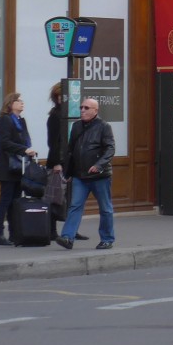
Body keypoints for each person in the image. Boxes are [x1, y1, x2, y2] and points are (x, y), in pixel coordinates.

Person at [56, 97, 115, 250]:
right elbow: (70, 151)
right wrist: (68, 172)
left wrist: (99, 165)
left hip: (99, 176)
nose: (82, 110)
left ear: (95, 111)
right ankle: (68, 237)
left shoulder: (104, 127)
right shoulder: (76, 126)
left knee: (105, 208)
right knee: (75, 206)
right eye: (81, 107)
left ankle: (107, 239)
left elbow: (110, 149)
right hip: (80, 176)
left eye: (86, 108)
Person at [0, 92, 37, 246]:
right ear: (10, 104)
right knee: (5, 201)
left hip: (19, 167)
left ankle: (13, 233)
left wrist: (28, 150)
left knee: (15, 201)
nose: (22, 103)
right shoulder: (5, 120)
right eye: (18, 101)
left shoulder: (20, 121)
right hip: (7, 167)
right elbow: (5, 143)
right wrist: (23, 150)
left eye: (22, 101)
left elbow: (25, 141)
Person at [45, 83, 87, 242]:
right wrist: (57, 162)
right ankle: (51, 231)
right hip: (59, 162)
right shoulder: (55, 116)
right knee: (55, 197)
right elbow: (53, 142)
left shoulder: (71, 115)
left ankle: (71, 230)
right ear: (59, 98)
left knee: (71, 198)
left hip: (71, 162)